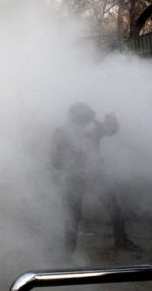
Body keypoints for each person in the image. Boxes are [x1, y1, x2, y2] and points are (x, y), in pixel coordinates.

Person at [51, 102, 142, 253]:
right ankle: (68, 251)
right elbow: (55, 160)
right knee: (72, 215)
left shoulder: (93, 127)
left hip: (97, 174)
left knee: (115, 208)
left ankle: (121, 241)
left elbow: (110, 130)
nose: (90, 120)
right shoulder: (61, 132)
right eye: (86, 117)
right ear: (76, 117)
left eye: (89, 117)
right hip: (75, 178)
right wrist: (74, 168)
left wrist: (112, 119)